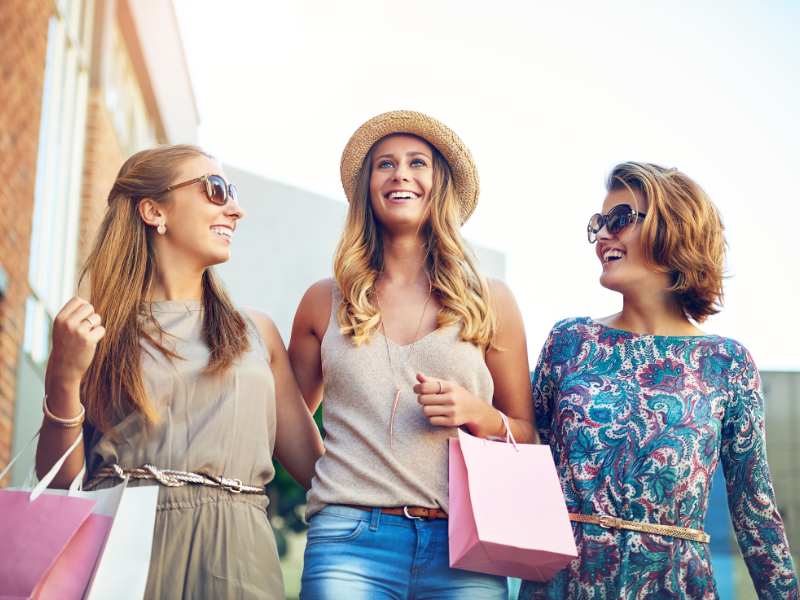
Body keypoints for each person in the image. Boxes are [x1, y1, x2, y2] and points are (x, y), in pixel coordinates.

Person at [35, 144, 324, 599]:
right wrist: (63, 378)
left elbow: (319, 472)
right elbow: (61, 486)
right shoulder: (97, 332)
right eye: (216, 190)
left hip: (237, 561)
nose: (236, 209)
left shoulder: (256, 334)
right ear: (154, 211)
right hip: (121, 560)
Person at [520, 162, 798, 599]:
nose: (604, 236)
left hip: (676, 587)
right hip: (565, 585)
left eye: (620, 219)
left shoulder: (726, 363)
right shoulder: (569, 341)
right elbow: (522, 454)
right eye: (599, 224)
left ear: (676, 229)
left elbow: (754, 509)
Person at [290, 110, 536, 598]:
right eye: (385, 164)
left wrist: (477, 414)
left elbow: (527, 436)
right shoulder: (325, 300)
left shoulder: (491, 301)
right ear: (369, 188)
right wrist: (337, 477)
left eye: (416, 162)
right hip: (348, 540)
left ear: (438, 184)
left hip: (465, 548)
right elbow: (286, 419)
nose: (400, 173)